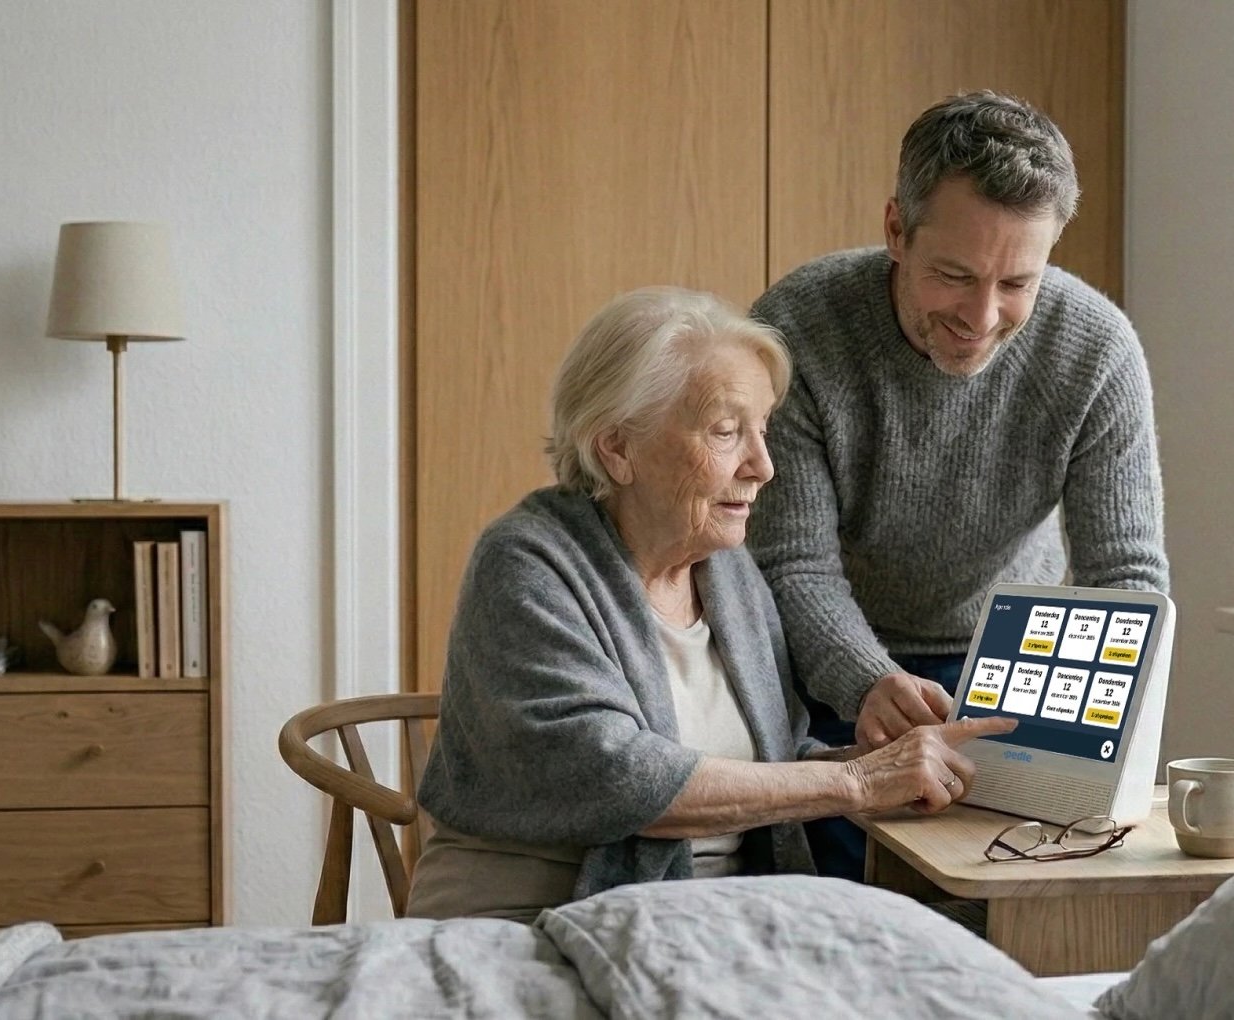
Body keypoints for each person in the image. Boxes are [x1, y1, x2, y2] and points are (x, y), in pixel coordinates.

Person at [405, 286, 1017, 923]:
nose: (763, 466)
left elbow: (773, 760)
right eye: (727, 433)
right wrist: (854, 783)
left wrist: (864, 765)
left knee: (975, 940)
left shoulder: (728, 572)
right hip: (533, 914)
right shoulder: (528, 563)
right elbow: (616, 776)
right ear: (617, 447)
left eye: (763, 431)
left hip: (705, 918)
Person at [746, 90, 1169, 879]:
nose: (981, 315)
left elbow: (1127, 580)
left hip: (1013, 660)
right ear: (896, 232)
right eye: (954, 275)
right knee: (847, 892)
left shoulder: (1097, 351)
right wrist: (869, 681)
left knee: (1025, 887)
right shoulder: (796, 331)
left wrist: (1110, 748)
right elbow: (794, 565)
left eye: (1017, 283)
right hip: (827, 665)